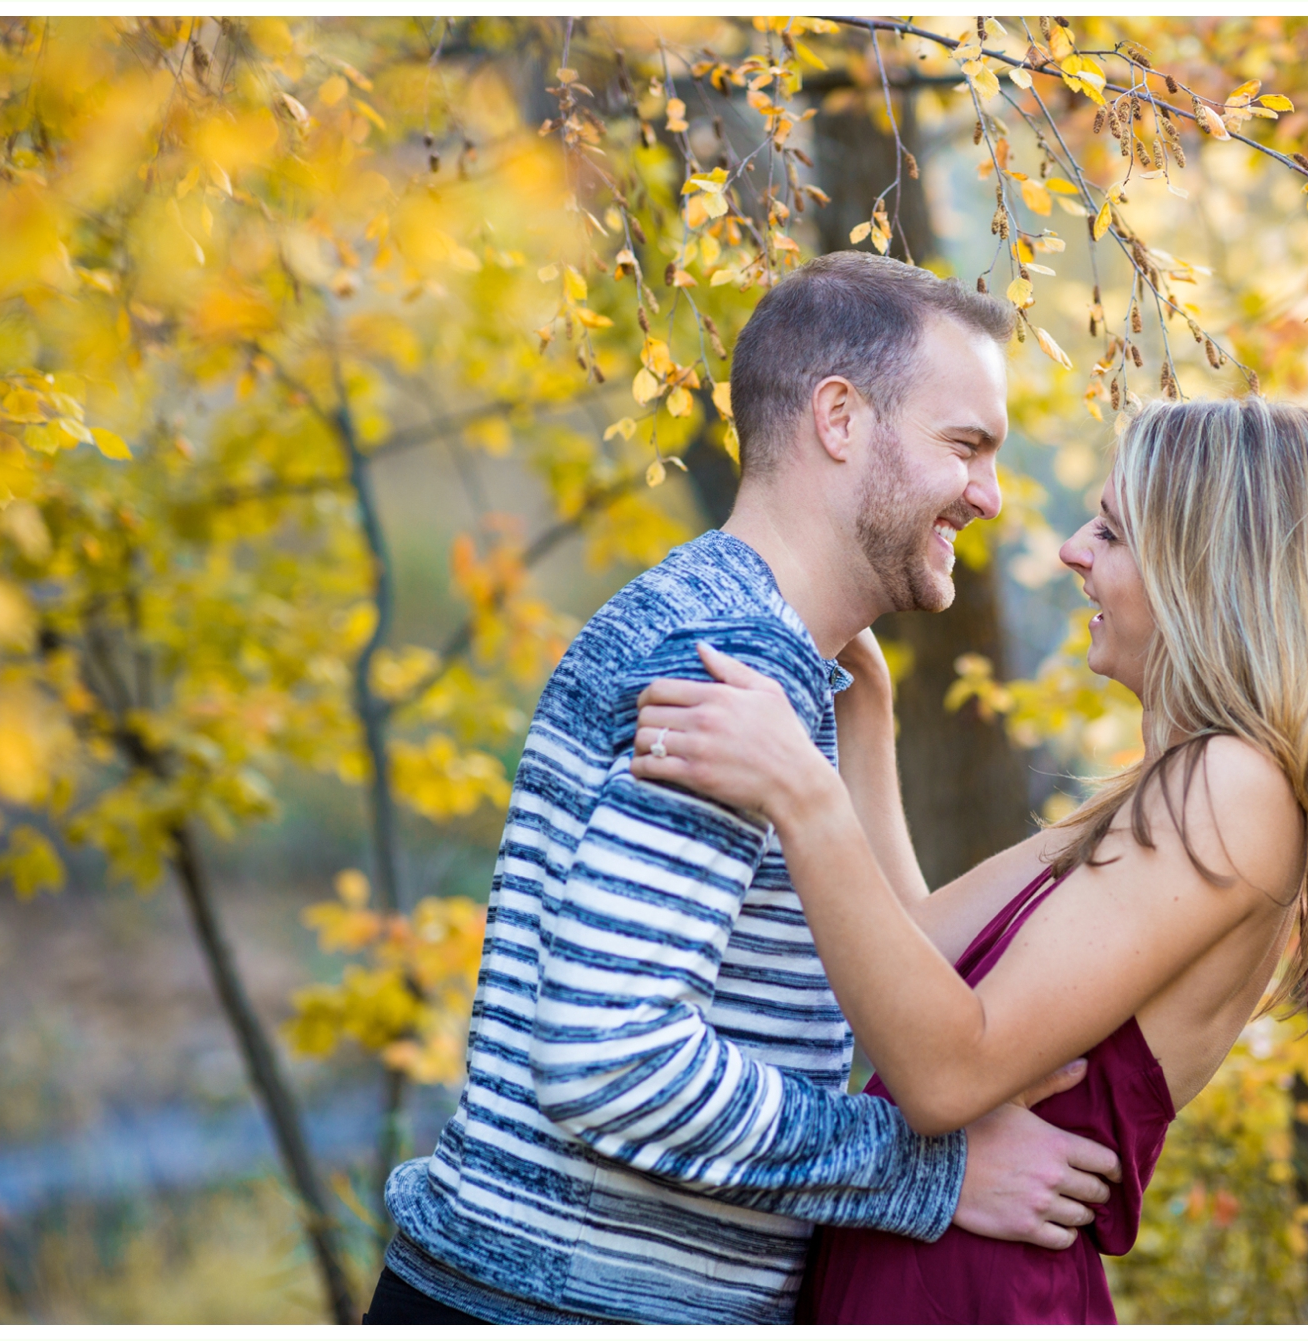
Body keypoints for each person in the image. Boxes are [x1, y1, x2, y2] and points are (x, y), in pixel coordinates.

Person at [368, 252, 1122, 1326]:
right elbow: (611, 1062)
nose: (991, 496)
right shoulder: (723, 659)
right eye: (965, 446)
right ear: (839, 418)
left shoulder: (751, 659)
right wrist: (930, 1174)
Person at [630, 395, 1308, 1323]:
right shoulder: (1162, 794)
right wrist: (866, 712)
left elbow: (944, 1075)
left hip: (978, 1295)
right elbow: (913, 950)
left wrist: (801, 795)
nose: (1072, 550)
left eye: (1113, 532)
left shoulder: (1233, 790)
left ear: (1209, 572)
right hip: (927, 1274)